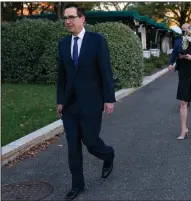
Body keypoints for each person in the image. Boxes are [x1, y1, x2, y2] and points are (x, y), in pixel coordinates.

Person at [56, 4, 116, 200]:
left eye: (72, 17)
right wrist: (60, 101)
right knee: (73, 147)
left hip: (91, 103)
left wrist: (109, 99)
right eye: (65, 18)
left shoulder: (96, 41)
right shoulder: (63, 44)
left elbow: (105, 70)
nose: (67, 21)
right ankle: (77, 185)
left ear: (82, 19)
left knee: (91, 143)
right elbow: (62, 76)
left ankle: (108, 155)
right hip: (70, 106)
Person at [168, 23, 190, 108]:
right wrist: (170, 63)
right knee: (183, 83)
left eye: (186, 28)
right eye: (183, 29)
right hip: (181, 66)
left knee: (190, 83)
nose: (184, 30)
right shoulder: (177, 41)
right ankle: (185, 101)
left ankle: (188, 98)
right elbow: (174, 54)